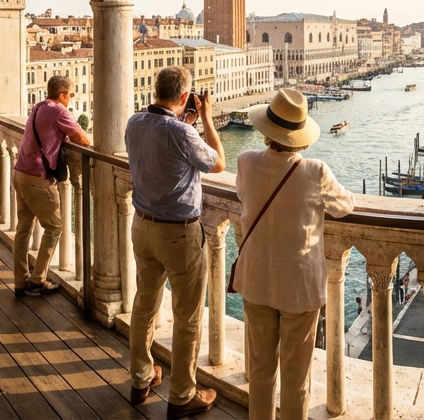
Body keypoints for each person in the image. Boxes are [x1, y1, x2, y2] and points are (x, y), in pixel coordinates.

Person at [235, 89, 354, 420]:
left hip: (256, 279)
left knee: (259, 371)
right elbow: (345, 205)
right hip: (299, 287)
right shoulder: (314, 171)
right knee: (296, 377)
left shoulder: (246, 162)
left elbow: (244, 196)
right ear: (300, 135)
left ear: (266, 130)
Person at [125, 66, 225, 416]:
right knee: (187, 317)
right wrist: (207, 120)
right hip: (179, 234)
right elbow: (217, 163)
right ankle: (182, 395)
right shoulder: (183, 133)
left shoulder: (134, 123)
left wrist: (187, 124)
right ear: (184, 97)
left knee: (144, 304)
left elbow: (163, 150)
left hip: (142, 227)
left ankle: (140, 378)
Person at [12, 75, 90, 297]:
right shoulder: (59, 111)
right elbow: (84, 140)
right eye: (71, 95)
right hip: (37, 177)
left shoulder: (38, 106)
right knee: (54, 227)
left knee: (23, 229)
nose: (71, 99)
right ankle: (37, 280)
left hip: (20, 173)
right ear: (63, 95)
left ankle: (20, 281)